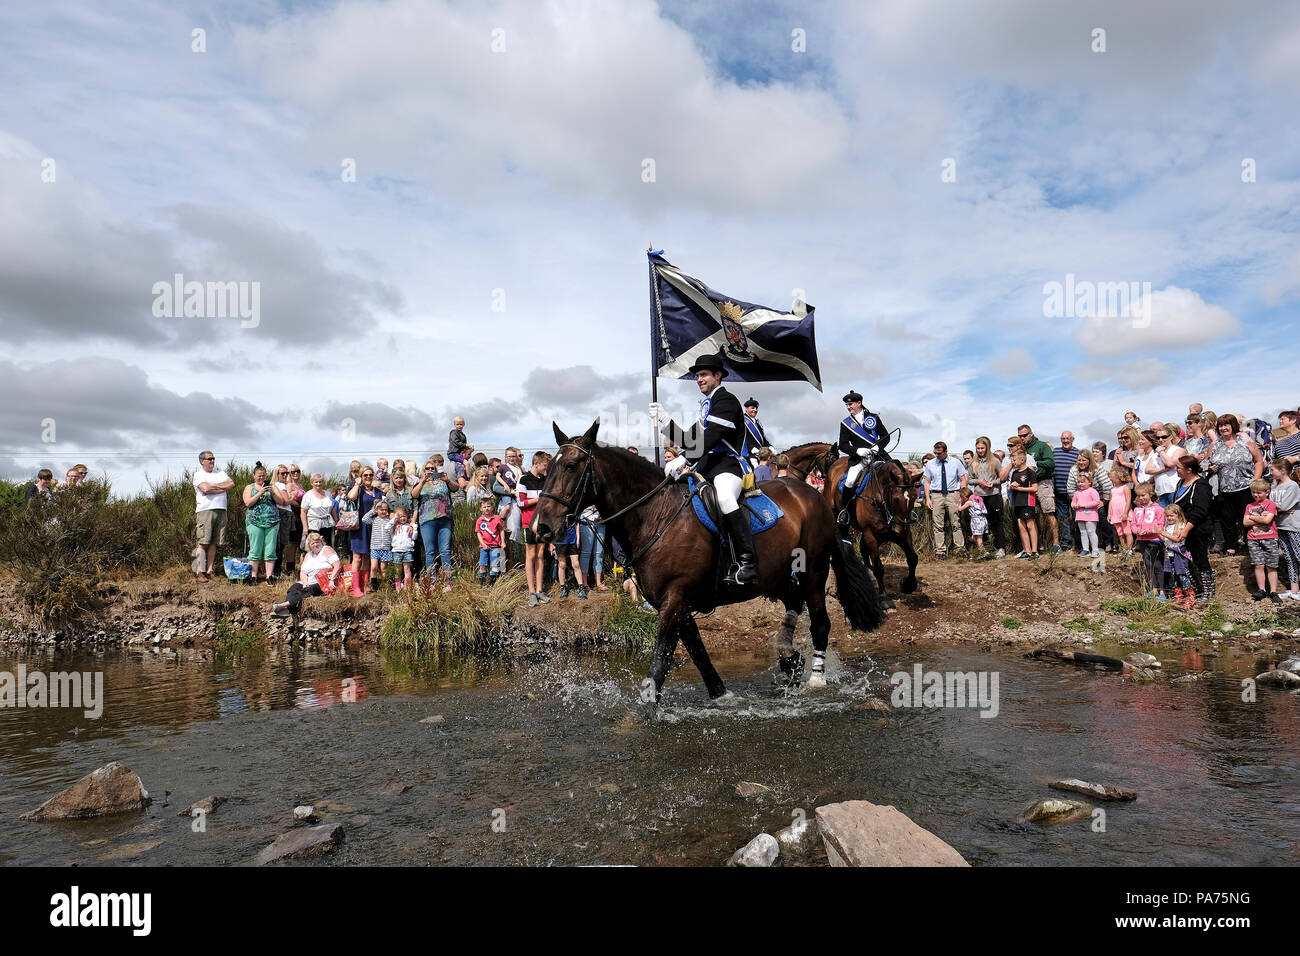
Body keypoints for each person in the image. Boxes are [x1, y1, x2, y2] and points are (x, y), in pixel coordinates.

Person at [663, 353, 757, 584]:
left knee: (725, 498)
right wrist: (665, 422)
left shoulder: (726, 401)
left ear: (718, 376)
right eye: (697, 376)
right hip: (706, 467)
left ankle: (747, 562)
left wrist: (683, 459)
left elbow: (714, 436)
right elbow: (687, 440)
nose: (699, 379)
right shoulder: (706, 407)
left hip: (728, 466)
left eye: (704, 374)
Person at [1209, 414, 1264, 556]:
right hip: (1224, 489)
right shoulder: (1215, 444)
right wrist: (1210, 468)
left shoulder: (1246, 440)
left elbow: (1258, 461)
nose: (1223, 428)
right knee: (1227, 519)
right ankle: (1231, 546)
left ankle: (1252, 544)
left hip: (1246, 486)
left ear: (1233, 425)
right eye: (1220, 425)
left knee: (1249, 517)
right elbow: (1208, 463)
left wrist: (1256, 481)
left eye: (1226, 425)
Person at [836, 390, 890, 526]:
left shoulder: (873, 418)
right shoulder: (845, 423)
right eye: (846, 405)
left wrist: (877, 447)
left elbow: (885, 436)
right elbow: (842, 445)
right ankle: (845, 511)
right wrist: (857, 451)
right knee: (850, 480)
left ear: (859, 403)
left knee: (897, 473)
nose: (848, 407)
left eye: (850, 404)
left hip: (878, 455)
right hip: (859, 459)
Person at [1171, 456, 1214, 605]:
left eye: (1179, 468)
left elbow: (1200, 510)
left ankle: (1208, 592)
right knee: (1185, 560)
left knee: (1200, 558)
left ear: (1189, 470)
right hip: (1182, 528)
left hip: (1197, 528)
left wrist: (1187, 528)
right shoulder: (1180, 483)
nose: (1176, 470)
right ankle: (1194, 590)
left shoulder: (1201, 485)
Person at [242, 462, 290, 586]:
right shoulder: (250, 487)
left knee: (270, 549)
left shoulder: (273, 486)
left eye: (263, 475)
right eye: (259, 476)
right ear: (253, 475)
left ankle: (269, 577)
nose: (261, 478)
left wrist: (272, 492)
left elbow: (282, 501)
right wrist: (260, 492)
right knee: (255, 549)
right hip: (254, 522)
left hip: (272, 522)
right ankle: (253, 576)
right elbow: (248, 503)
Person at [272, 532, 342, 617]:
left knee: (309, 590)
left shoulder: (326, 549)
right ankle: (288, 610)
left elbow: (337, 565)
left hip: (325, 581)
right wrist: (305, 582)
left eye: (317, 542)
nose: (316, 544)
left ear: (321, 542)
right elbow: (303, 572)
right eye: (313, 543)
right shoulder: (308, 555)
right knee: (294, 588)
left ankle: (284, 605)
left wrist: (332, 580)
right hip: (310, 581)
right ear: (309, 546)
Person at [412, 456, 455, 592]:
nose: (430, 470)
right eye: (427, 468)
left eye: (432, 468)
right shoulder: (420, 482)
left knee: (445, 550)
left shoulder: (443, 481)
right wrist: (423, 481)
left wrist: (447, 479)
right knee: (430, 552)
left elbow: (456, 488)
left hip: (444, 519)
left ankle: (447, 581)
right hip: (427, 520)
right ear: (423, 470)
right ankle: (431, 582)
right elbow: (414, 495)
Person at [193, 451, 234, 582]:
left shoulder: (220, 473)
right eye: (209, 459)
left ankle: (210, 570)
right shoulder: (198, 474)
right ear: (202, 461)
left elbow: (231, 484)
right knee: (203, 542)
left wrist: (213, 487)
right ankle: (200, 572)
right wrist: (222, 487)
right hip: (206, 510)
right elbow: (205, 489)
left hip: (221, 510)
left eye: (213, 458)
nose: (212, 461)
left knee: (214, 542)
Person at [922, 441, 967, 556]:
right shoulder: (931, 464)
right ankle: (940, 551)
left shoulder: (956, 462)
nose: (937, 455)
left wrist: (962, 495)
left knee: (955, 522)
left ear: (946, 452)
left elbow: (963, 479)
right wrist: (928, 498)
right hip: (936, 495)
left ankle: (960, 548)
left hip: (953, 494)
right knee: (937, 524)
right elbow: (927, 482)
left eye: (939, 453)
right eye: (935, 453)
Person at [1017, 425, 1057, 552]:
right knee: (1032, 516)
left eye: (1024, 435)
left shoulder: (1041, 446)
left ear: (1031, 434)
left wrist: (1035, 462)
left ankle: (1056, 544)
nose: (1022, 438)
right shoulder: (1022, 449)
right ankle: (1039, 545)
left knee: (1049, 512)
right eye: (1020, 436)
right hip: (1028, 485)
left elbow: (1051, 463)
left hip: (1043, 482)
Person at [518, 451, 550, 605]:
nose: (547, 468)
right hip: (530, 523)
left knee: (540, 555)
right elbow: (521, 503)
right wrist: (539, 499)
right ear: (537, 463)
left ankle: (539, 590)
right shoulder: (523, 479)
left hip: (543, 523)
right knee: (530, 556)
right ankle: (531, 592)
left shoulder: (546, 480)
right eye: (545, 465)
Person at [346, 464, 382, 596]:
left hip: (373, 527)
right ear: (361, 476)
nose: (368, 477)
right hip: (358, 526)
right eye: (365, 475)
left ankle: (365, 584)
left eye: (370, 475)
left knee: (367, 557)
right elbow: (351, 497)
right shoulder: (358, 489)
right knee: (357, 558)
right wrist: (357, 484)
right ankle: (356, 587)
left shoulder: (377, 491)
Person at [1243, 478, 1282, 602]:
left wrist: (1253, 517)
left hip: (1270, 538)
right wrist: (1260, 516)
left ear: (1267, 492)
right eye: (1253, 492)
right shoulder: (1249, 506)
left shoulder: (1271, 504)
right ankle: (1262, 590)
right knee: (1258, 565)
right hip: (1253, 539)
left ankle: (1273, 591)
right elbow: (1245, 522)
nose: (1256, 495)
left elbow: (1267, 521)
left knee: (1271, 566)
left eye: (1259, 492)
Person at [1268, 459, 1300, 600]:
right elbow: (1270, 505)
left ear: (1282, 471)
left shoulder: (1292, 486)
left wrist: (1276, 509)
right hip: (1281, 525)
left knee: (1299, 556)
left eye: (1272, 470)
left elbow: (1284, 506)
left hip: (1293, 526)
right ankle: (1294, 591)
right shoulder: (1275, 486)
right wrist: (1277, 508)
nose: (1270, 472)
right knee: (1290, 558)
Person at [1130, 483, 1167, 600]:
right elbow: (1133, 524)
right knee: (1148, 565)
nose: (1141, 498)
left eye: (1143, 495)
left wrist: (1147, 531)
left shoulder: (1158, 509)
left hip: (1154, 540)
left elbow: (1160, 525)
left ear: (1150, 494)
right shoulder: (1136, 510)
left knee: (1157, 565)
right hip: (1142, 540)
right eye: (1139, 496)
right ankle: (1153, 589)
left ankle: (1162, 591)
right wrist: (1138, 531)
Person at [970, 437, 1006, 557]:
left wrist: (993, 483)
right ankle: (985, 550)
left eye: (982, 448)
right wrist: (978, 481)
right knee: (982, 523)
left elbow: (1002, 478)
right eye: (978, 448)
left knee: (997, 522)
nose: (980, 450)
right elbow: (969, 479)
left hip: (993, 495)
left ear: (987, 447)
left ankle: (1001, 548)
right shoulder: (973, 462)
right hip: (979, 497)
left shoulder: (995, 461)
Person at [1159, 504, 1196, 608]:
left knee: (1182, 575)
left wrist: (1162, 532)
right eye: (1167, 516)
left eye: (1172, 515)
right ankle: (1179, 596)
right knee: (1174, 576)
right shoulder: (1167, 526)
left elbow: (1177, 539)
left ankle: (1190, 596)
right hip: (1169, 554)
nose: (1169, 518)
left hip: (1179, 554)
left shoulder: (1181, 525)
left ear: (1178, 515)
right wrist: (1158, 533)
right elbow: (1165, 540)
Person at [1007, 447, 1038, 558]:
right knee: (1021, 526)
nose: (1013, 462)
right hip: (1017, 502)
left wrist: (1019, 488)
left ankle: (1035, 551)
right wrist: (1012, 486)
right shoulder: (1014, 473)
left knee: (1030, 525)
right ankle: (1027, 551)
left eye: (1014, 460)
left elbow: (1035, 488)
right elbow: (1012, 488)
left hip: (1028, 502)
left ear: (1022, 460)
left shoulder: (1030, 472)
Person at [1053, 431, 1079, 551]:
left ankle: (1079, 543)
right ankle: (1066, 543)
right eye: (1063, 438)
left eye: (1068, 438)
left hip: (1074, 492)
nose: (1065, 440)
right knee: (1063, 519)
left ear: (1072, 439)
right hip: (1058, 491)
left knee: (1077, 518)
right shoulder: (1055, 452)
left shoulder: (1078, 453)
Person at [363, 498, 395, 590]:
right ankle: (373, 586)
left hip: (386, 548)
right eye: (381, 509)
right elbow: (364, 519)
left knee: (383, 568)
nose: (384, 511)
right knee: (373, 567)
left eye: (385, 510)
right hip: (375, 548)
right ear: (377, 510)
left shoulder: (389, 521)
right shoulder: (374, 520)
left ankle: (386, 585)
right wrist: (373, 510)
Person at [300, 474, 338, 551]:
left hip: (327, 524)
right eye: (316, 482)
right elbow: (303, 512)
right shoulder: (308, 495)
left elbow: (332, 508)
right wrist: (305, 527)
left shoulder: (328, 494)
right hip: (313, 525)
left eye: (320, 482)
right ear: (312, 483)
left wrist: (337, 521)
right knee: (312, 548)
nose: (318, 484)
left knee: (327, 547)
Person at [1150, 425, 1186, 507]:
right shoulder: (1156, 453)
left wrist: (1161, 452)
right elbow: (1148, 470)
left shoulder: (1178, 450)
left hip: (1174, 489)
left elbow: (1170, 463)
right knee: (1163, 518)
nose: (1160, 440)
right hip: (1160, 491)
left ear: (1170, 437)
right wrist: (1164, 469)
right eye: (1158, 438)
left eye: (1164, 437)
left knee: (1175, 516)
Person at [1071, 472, 1102, 562]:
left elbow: (1096, 502)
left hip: (1091, 515)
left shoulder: (1093, 491)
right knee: (1083, 532)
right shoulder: (1077, 493)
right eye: (1079, 482)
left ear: (1090, 482)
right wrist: (1075, 505)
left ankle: (1095, 550)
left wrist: (1085, 505)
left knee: (1091, 531)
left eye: (1083, 482)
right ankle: (1086, 549)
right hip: (1080, 515)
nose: (1080, 484)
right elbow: (1073, 502)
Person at [552, 522, 588, 599]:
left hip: (572, 538)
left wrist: (578, 537)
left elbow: (576, 522)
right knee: (562, 564)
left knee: (576, 564)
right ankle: (563, 588)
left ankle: (581, 588)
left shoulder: (572, 509)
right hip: (560, 539)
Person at [474, 498, 504, 587]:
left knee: (495, 565)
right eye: (484, 507)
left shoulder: (497, 518)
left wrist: (503, 542)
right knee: (482, 565)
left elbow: (501, 530)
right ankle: (482, 583)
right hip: (484, 547)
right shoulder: (480, 520)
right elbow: (478, 533)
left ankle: (492, 583)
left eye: (488, 506)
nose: (486, 508)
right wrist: (483, 544)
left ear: (492, 507)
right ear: (481, 508)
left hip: (495, 546)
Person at [578, 503, 608, 591]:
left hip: (601, 522)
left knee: (599, 553)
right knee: (586, 553)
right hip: (586, 520)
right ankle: (584, 583)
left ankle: (598, 582)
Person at [391, 507, 417, 590]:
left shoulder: (409, 526)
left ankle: (406, 587)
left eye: (404, 516)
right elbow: (387, 528)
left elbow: (414, 537)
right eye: (400, 516)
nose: (402, 518)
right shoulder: (394, 527)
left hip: (407, 551)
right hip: (397, 551)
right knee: (398, 571)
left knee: (407, 569)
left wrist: (414, 527)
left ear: (407, 516)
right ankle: (398, 587)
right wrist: (394, 520)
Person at [740, 398, 770, 467]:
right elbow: (742, 438)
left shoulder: (758, 423)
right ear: (746, 409)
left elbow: (763, 439)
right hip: (750, 454)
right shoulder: (742, 421)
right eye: (752, 408)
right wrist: (751, 448)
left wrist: (770, 446)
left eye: (756, 408)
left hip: (761, 454)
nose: (755, 410)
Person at [957, 488, 987, 554]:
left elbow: (960, 509)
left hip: (977, 521)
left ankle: (983, 552)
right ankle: (983, 550)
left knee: (978, 538)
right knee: (975, 537)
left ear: (964, 497)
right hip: (982, 519)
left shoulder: (969, 502)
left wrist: (960, 502)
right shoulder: (977, 499)